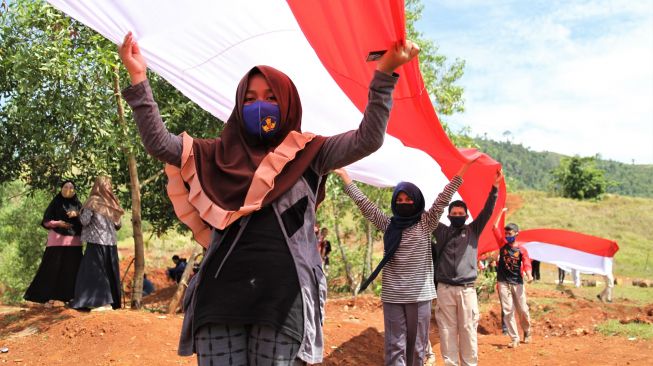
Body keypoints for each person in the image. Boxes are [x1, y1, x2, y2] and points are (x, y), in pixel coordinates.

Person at [119, 31, 418, 365]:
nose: (259, 106)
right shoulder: (214, 154)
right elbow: (160, 144)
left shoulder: (310, 153)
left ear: (288, 102)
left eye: (270, 97)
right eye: (249, 99)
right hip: (220, 299)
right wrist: (139, 77)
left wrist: (385, 74)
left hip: (283, 300)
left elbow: (368, 139)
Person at [335, 159, 474, 366]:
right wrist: (346, 178)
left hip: (420, 296)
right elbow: (366, 206)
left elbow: (444, 197)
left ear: (417, 201)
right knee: (394, 346)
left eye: (408, 199)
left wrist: (463, 168)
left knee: (418, 347)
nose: (403, 202)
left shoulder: (426, 223)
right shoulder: (388, 225)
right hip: (393, 295)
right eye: (399, 199)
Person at [433, 169, 502, 366]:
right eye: (453, 214)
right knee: (446, 329)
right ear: (448, 215)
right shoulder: (441, 231)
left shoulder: (473, 230)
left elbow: (488, 211)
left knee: (468, 329)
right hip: (445, 289)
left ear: (466, 215)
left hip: (467, 291)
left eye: (460, 214)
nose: (457, 216)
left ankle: (470, 364)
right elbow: (431, 212)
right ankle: (451, 364)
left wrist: (494, 188)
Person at [24, 180, 83, 306]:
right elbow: (46, 221)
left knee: (72, 271)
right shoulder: (56, 202)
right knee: (51, 269)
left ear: (75, 190)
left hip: (74, 242)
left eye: (71, 187)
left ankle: (70, 298)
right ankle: (48, 298)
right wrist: (58, 223)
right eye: (66, 186)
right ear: (61, 189)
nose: (69, 189)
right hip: (56, 241)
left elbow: (85, 220)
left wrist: (77, 214)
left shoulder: (78, 204)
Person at [69, 176, 124, 310]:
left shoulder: (93, 201)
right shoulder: (113, 202)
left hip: (96, 241)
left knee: (94, 272)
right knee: (108, 271)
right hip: (111, 243)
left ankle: (100, 302)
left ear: (96, 186)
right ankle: (111, 303)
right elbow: (118, 225)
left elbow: (85, 221)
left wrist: (78, 214)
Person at [492, 217, 533, 348]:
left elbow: (526, 263)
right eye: (506, 234)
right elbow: (494, 227)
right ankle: (514, 338)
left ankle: (527, 331)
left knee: (523, 310)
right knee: (508, 310)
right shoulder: (502, 244)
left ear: (516, 233)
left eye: (510, 233)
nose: (507, 236)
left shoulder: (521, 250)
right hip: (503, 282)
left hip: (517, 282)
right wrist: (501, 212)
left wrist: (529, 275)